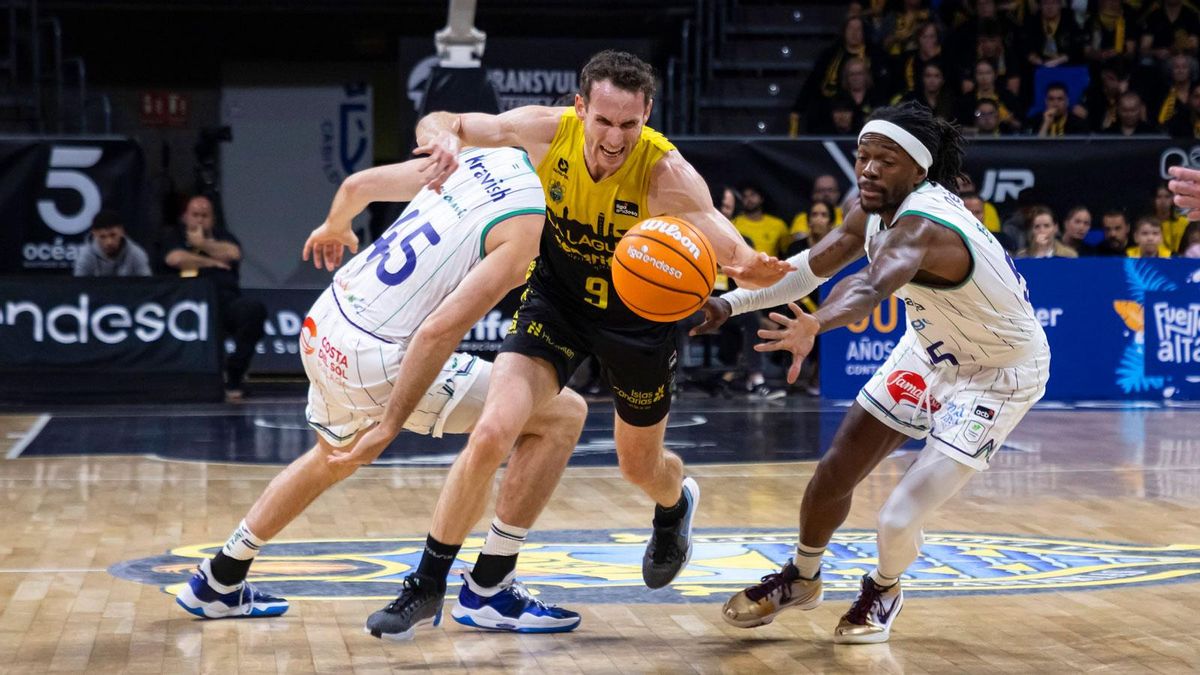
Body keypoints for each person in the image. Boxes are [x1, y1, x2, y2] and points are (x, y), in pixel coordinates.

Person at [376, 49, 789, 638]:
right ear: (580, 108)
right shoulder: (545, 132)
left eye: (630, 123)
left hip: (641, 320)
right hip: (558, 300)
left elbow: (729, 247)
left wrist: (751, 265)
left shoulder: (664, 174)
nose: (616, 136)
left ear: (647, 115)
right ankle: (432, 583)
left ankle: (674, 505)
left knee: (638, 465)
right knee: (495, 429)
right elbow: (450, 119)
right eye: (604, 120)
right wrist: (439, 138)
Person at [174, 148, 589, 637]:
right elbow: (437, 332)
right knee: (563, 414)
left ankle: (220, 577)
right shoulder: (529, 222)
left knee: (332, 455)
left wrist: (335, 226)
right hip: (378, 355)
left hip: (326, 320)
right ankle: (490, 589)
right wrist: (390, 425)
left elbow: (356, 188)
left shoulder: (479, 156)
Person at [695, 101, 1049, 643]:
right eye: (863, 156)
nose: (868, 169)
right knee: (834, 471)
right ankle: (802, 578)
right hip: (931, 348)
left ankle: (884, 588)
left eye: (886, 159)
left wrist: (816, 324)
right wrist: (728, 304)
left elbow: (867, 289)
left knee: (897, 519)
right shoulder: (868, 211)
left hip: (1000, 371)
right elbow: (804, 269)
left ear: (919, 170)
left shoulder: (926, 226)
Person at [163, 195, 267, 399]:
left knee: (253, 310)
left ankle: (235, 372)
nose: (200, 220)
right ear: (185, 217)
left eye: (205, 215)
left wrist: (203, 243)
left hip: (225, 301)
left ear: (212, 218)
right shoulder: (174, 236)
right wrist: (211, 262)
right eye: (195, 215)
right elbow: (174, 258)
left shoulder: (223, 236)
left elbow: (234, 253)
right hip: (189, 306)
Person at [73, 209, 152, 277]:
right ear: (94, 234)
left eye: (113, 235)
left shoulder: (137, 254)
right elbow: (79, 288)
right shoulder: (85, 255)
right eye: (102, 237)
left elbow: (147, 286)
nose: (109, 242)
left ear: (121, 231)